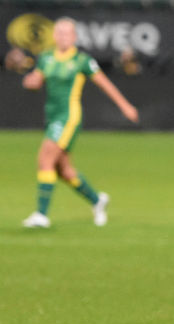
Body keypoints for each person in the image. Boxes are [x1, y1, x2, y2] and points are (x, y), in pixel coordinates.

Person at [21, 17, 139, 229]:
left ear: (74, 37)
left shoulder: (82, 60)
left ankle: (41, 215)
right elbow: (36, 81)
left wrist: (125, 106)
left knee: (45, 159)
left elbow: (105, 84)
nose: (62, 37)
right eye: (59, 33)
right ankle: (97, 201)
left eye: (67, 33)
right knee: (64, 170)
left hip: (68, 117)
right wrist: (30, 82)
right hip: (52, 116)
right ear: (54, 36)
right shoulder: (46, 58)